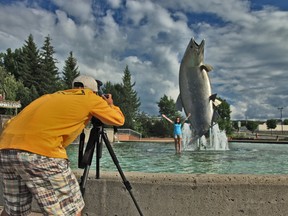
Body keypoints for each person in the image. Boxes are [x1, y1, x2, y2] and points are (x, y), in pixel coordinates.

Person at [0, 75, 125, 216]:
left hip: (6, 150)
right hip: (42, 153)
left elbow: (9, 123)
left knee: (13, 211)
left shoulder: (50, 97)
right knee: (70, 210)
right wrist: (109, 104)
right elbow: (118, 120)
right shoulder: (90, 98)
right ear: (95, 92)